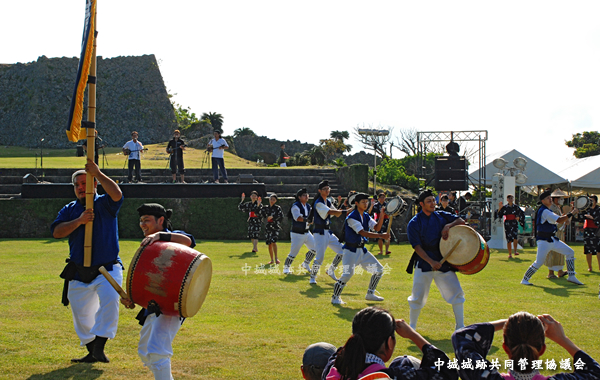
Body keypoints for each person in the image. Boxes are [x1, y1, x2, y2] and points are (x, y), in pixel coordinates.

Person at [51, 159, 124, 363]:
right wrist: (80, 221)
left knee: (110, 301)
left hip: (106, 267)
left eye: (85, 183)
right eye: (77, 185)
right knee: (81, 314)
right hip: (78, 269)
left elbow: (117, 194)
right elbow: (57, 232)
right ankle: (93, 352)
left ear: (94, 185)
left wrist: (98, 172)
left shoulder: (105, 203)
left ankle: (99, 347)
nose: (81, 188)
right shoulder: (69, 209)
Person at [120, 203, 196, 380]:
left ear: (161, 220)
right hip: (153, 306)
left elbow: (189, 241)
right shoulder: (149, 246)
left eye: (146, 220)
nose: (142, 225)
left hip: (172, 305)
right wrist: (132, 298)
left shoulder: (172, 238)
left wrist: (159, 236)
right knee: (145, 350)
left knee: (157, 351)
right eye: (140, 221)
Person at [452, 311, 600, 380]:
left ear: (505, 347)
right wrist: (562, 339)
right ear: (542, 350)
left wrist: (507, 323)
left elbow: (462, 337)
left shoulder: (485, 376)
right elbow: (594, 373)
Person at [322, 306, 458, 380]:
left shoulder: (332, 368)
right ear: (389, 342)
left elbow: (342, 352)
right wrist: (413, 335)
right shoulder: (394, 376)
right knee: (405, 362)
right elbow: (448, 372)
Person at [406, 189, 466, 330]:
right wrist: (431, 262)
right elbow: (417, 247)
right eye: (429, 201)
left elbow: (461, 220)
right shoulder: (414, 223)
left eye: (434, 200)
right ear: (421, 204)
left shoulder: (441, 216)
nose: (433, 203)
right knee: (417, 297)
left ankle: (460, 326)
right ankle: (412, 327)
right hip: (424, 263)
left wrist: (448, 225)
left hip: (443, 261)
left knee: (457, 293)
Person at [331, 193, 387, 304]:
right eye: (363, 202)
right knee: (347, 275)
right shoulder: (351, 217)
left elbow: (376, 227)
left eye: (367, 202)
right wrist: (381, 236)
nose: (365, 204)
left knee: (379, 270)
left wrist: (382, 215)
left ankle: (370, 293)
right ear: (356, 203)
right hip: (350, 251)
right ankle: (335, 297)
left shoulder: (365, 216)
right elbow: (362, 232)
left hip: (362, 251)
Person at [521, 190, 583, 286]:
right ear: (542, 201)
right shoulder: (545, 211)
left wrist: (571, 212)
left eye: (550, 197)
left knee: (570, 252)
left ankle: (571, 276)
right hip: (544, 241)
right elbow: (559, 220)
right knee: (538, 262)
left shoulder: (547, 210)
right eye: (547, 198)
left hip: (552, 239)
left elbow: (559, 220)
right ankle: (525, 279)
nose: (550, 199)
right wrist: (572, 212)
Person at [309, 180, 346, 285]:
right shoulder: (319, 203)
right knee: (319, 257)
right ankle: (312, 277)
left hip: (328, 232)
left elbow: (336, 214)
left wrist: (345, 207)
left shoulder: (328, 202)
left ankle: (331, 270)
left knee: (342, 250)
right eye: (324, 189)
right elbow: (330, 212)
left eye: (328, 189)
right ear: (320, 191)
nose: (327, 190)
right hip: (320, 232)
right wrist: (344, 211)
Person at [283, 188, 317, 275]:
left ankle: (306, 263)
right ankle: (286, 268)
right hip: (297, 233)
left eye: (307, 195)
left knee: (316, 248)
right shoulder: (295, 206)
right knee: (293, 252)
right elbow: (297, 218)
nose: (306, 196)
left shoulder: (308, 206)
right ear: (299, 197)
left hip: (307, 232)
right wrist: (308, 220)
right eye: (304, 195)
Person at [545, 190, 569, 278]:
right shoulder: (553, 208)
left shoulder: (557, 207)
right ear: (555, 199)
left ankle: (560, 271)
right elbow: (556, 222)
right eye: (560, 198)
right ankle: (551, 272)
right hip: (554, 232)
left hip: (559, 232)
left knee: (559, 252)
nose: (562, 200)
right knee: (552, 251)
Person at [576, 195, 600, 272]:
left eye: (592, 201)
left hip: (597, 231)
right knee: (588, 249)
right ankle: (590, 266)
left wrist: (593, 218)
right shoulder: (586, 209)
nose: (590, 202)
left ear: (596, 201)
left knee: (598, 250)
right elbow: (580, 218)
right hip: (588, 231)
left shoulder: (599, 209)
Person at [497, 195, 524, 259]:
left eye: (512, 198)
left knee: (515, 237)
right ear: (507, 199)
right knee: (509, 238)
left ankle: (515, 251)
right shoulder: (505, 207)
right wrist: (500, 208)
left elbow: (521, 213)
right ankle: (510, 253)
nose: (511, 199)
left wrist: (519, 218)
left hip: (514, 222)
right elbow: (499, 214)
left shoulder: (516, 207)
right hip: (508, 223)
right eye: (509, 198)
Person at [260, 193, 284, 264]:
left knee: (274, 241)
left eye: (273, 200)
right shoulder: (265, 208)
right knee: (269, 243)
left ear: (276, 201)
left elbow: (281, 216)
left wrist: (273, 217)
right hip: (268, 227)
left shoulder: (277, 208)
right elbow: (260, 213)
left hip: (275, 226)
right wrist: (258, 204)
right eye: (271, 199)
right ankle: (272, 259)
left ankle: (276, 258)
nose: (272, 201)